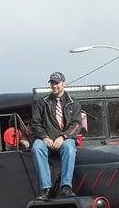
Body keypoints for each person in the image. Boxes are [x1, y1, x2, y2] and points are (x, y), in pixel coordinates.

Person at [31, 72, 82, 200]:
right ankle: (46, 188)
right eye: (52, 83)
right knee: (37, 148)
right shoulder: (42, 102)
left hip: (65, 139)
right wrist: (44, 137)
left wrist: (63, 137)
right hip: (46, 138)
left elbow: (76, 124)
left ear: (64, 83)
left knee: (70, 148)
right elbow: (35, 124)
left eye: (57, 83)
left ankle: (66, 186)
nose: (54, 86)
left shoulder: (73, 103)